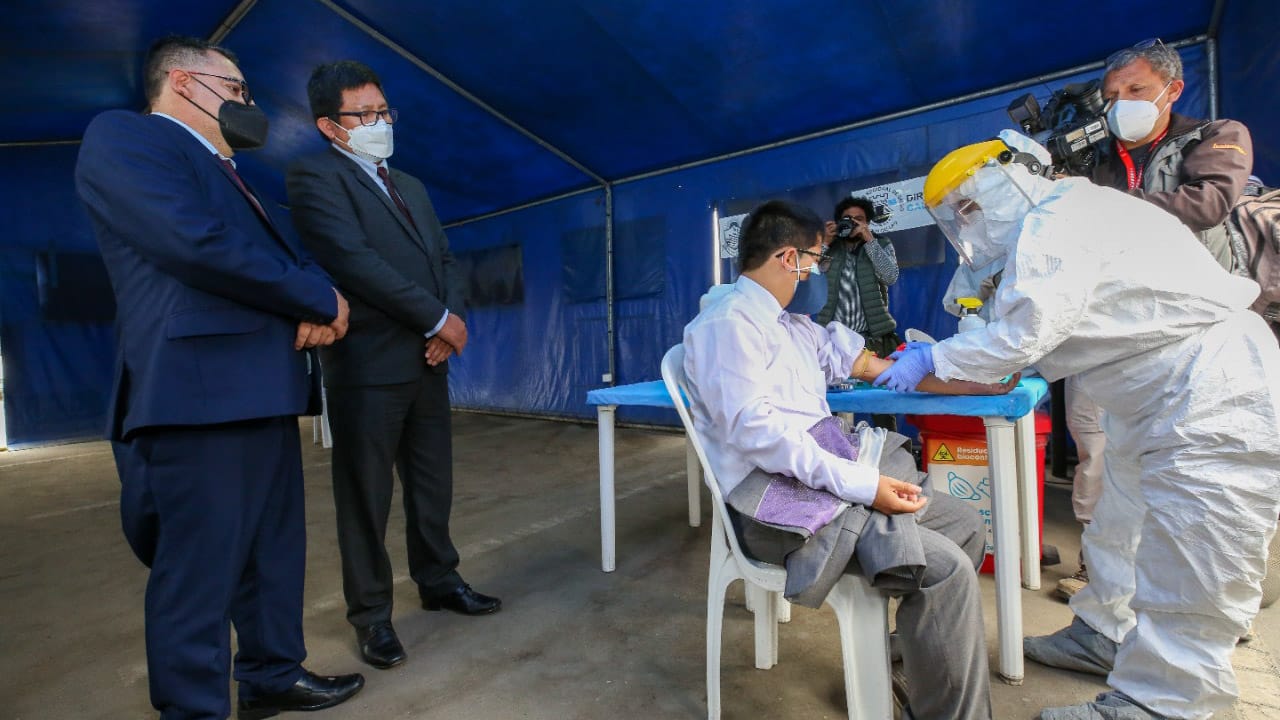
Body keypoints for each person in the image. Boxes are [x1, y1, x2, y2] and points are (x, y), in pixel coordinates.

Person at [875, 133, 1280, 719]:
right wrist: (949, 352)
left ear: (1007, 179)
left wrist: (930, 361)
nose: (967, 223)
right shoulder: (1043, 231)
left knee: (1195, 549)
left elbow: (1021, 337)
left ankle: (1162, 704)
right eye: (956, 215)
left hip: (1210, 391)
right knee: (1121, 526)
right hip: (1148, 397)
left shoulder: (1062, 215)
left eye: (970, 205)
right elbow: (1005, 325)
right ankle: (1102, 634)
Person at [74, 36, 365, 719]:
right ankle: (194, 708)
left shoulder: (234, 176)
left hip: (260, 388)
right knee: (199, 574)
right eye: (235, 90)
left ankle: (270, 673)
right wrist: (318, 301)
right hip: (196, 392)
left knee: (272, 553)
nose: (248, 105)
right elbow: (193, 243)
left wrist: (317, 300)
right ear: (182, 82)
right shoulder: (128, 139)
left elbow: (284, 262)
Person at [683, 199, 1010, 720]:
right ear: (787, 258)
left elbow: (869, 363)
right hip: (770, 505)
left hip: (822, 481)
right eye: (815, 259)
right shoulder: (728, 326)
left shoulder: (795, 325)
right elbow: (759, 437)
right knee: (945, 569)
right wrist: (862, 484)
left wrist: (971, 380)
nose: (819, 271)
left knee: (967, 524)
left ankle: (911, 658)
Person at [287, 60, 500, 670]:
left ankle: (439, 581)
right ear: (331, 126)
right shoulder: (313, 178)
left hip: (429, 361)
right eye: (365, 114)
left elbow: (445, 259)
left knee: (434, 483)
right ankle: (372, 617)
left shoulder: (411, 183)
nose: (380, 122)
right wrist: (437, 320)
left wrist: (446, 323)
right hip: (367, 366)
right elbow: (353, 264)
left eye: (385, 111)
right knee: (366, 495)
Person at [1052, 37, 1256, 601]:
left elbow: (1209, 203)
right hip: (1108, 331)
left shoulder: (1216, 137)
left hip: (1191, 335)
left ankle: (1193, 597)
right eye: (1112, 94)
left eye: (1136, 90)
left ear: (1173, 89)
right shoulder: (1094, 162)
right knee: (1099, 450)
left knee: (1184, 459)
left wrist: (1103, 212)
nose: (1122, 104)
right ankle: (1100, 572)